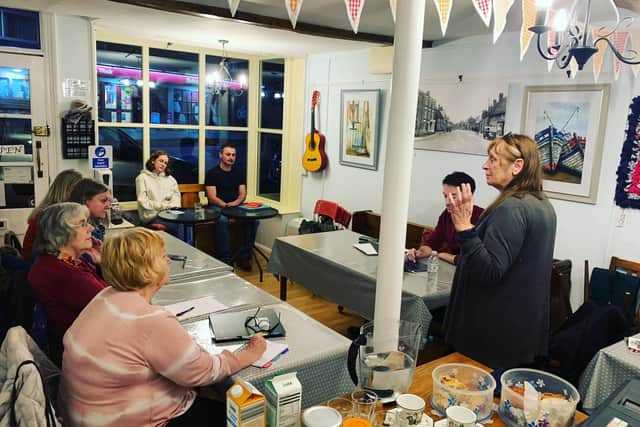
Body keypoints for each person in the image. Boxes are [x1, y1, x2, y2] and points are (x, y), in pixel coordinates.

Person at [60, 228, 267, 427]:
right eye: (162, 256)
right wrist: (249, 353)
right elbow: (204, 372)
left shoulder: (104, 296)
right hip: (130, 420)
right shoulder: (151, 320)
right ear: (146, 269)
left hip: (88, 415)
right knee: (246, 415)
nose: (168, 261)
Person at [444, 133, 557, 368]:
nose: (485, 166)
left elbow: (490, 270)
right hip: (516, 333)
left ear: (517, 166)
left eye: (493, 159)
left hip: (492, 338)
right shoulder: (542, 203)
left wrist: (465, 229)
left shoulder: (512, 208)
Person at [28, 203, 107, 365]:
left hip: (79, 346)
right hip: (86, 357)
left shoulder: (61, 261)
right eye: (82, 224)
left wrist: (101, 263)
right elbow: (116, 305)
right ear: (61, 232)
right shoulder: (64, 274)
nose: (90, 228)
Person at [406, 172, 484, 265]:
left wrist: (444, 255)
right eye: (445, 196)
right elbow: (432, 242)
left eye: (454, 197)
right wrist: (419, 252)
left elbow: (479, 260)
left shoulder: (483, 217)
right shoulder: (447, 214)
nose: (447, 202)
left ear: (468, 196)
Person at [205, 143, 257, 270]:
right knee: (222, 221)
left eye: (233, 155)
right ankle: (225, 259)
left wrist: (235, 203)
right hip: (217, 206)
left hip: (235, 205)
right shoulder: (212, 173)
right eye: (228, 154)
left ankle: (245, 256)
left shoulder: (239, 172)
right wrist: (225, 205)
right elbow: (212, 197)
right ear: (221, 155)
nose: (231, 157)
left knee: (253, 220)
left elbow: (242, 194)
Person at [22, 169, 83, 260]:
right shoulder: (53, 214)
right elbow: (59, 251)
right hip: (36, 262)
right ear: (69, 190)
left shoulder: (50, 208)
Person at [135, 150, 182, 233]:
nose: (163, 164)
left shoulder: (171, 180)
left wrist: (170, 207)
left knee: (185, 225)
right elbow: (143, 201)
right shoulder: (142, 178)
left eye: (165, 163)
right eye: (161, 161)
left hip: (169, 214)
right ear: (153, 161)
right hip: (151, 216)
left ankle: (185, 245)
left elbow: (176, 199)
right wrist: (163, 206)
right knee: (176, 226)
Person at [68, 178, 111, 255]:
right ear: (85, 201)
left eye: (109, 201)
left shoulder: (97, 227)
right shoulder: (81, 234)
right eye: (103, 201)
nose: (108, 206)